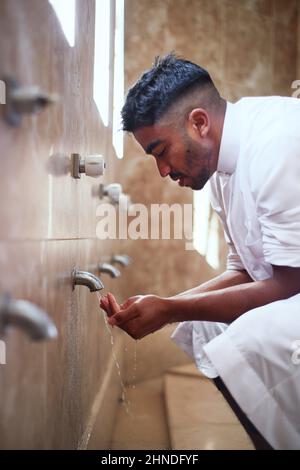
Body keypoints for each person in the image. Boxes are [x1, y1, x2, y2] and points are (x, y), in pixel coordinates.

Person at [100, 53, 300, 449]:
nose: (161, 170)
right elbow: (244, 269)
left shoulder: (277, 141)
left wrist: (170, 309)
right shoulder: (220, 170)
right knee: (204, 327)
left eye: (160, 150)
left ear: (199, 122)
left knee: (250, 338)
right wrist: (164, 304)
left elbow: (288, 284)